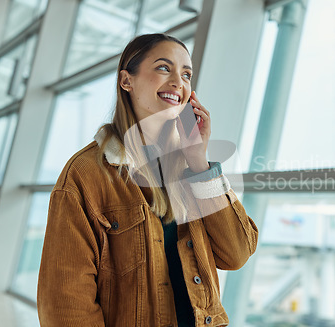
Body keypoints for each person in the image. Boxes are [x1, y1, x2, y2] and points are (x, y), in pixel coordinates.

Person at [37, 33, 258, 327]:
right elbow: (66, 305)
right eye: (164, 68)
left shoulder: (189, 168)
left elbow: (237, 253)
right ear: (126, 81)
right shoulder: (85, 175)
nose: (179, 82)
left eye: (187, 74)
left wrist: (199, 162)